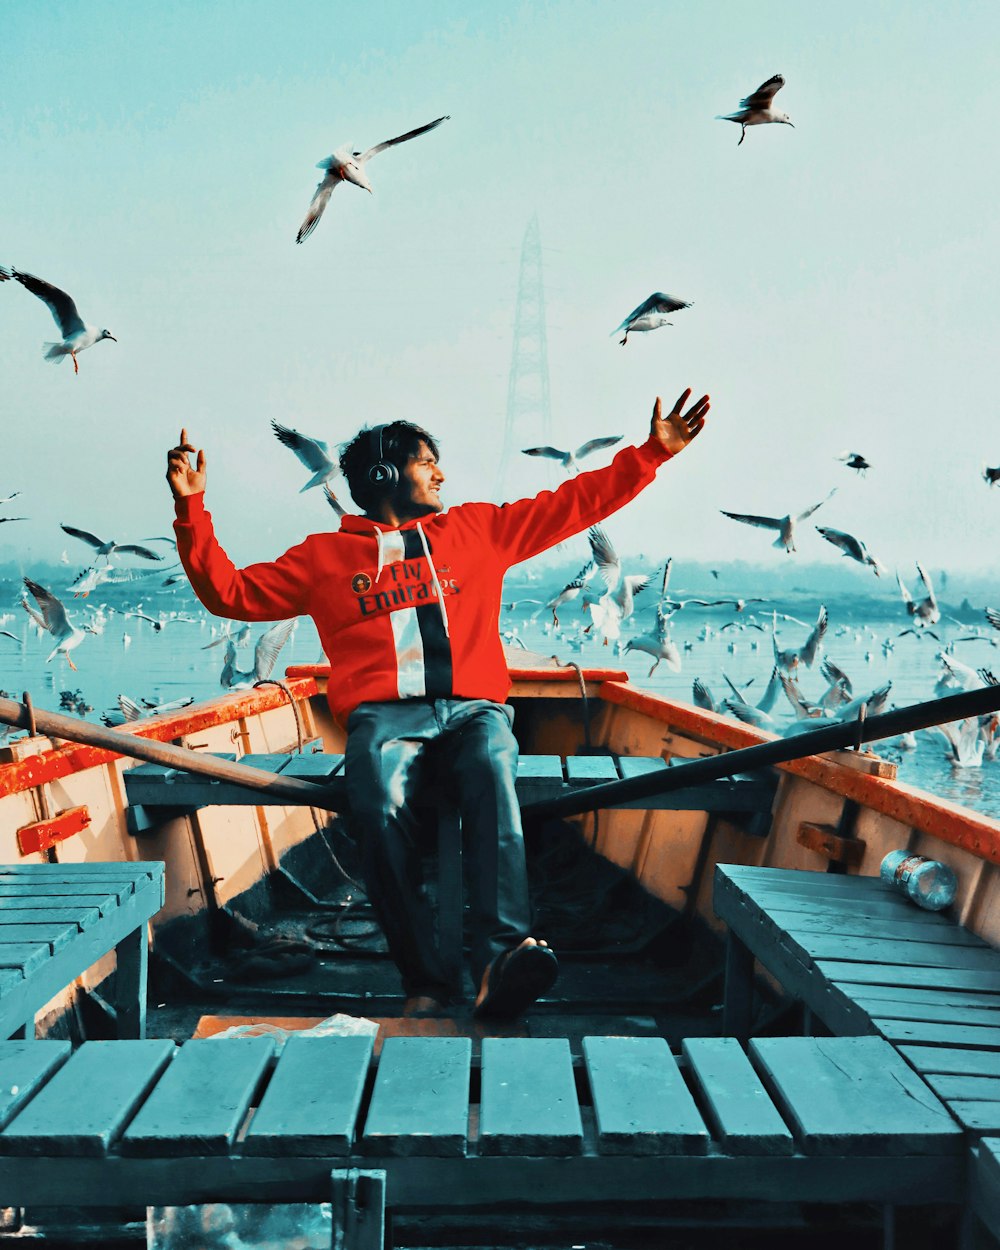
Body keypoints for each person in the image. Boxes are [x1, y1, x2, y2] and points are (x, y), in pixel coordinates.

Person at [167, 388, 709, 1018]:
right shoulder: (322, 558)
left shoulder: (479, 530)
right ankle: (425, 978)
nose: (442, 474)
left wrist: (650, 454)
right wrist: (191, 508)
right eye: (428, 463)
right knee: (376, 797)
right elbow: (229, 593)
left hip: (475, 711)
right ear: (384, 475)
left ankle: (503, 959)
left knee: (489, 771)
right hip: (381, 718)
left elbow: (574, 503)